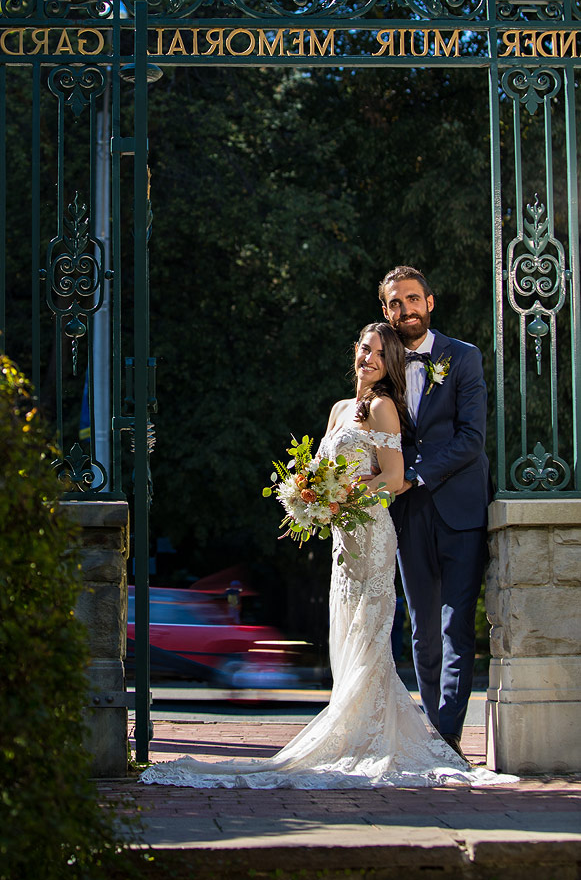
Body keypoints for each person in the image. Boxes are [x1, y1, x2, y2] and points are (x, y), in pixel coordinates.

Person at [139, 323, 514, 789]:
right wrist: (306, 494)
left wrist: (346, 500)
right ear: (353, 353)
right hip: (342, 540)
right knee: (345, 631)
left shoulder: (383, 408)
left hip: (372, 535)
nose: (369, 358)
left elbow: (394, 480)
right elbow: (320, 468)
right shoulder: (339, 409)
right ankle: (353, 729)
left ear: (390, 362)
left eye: (379, 353)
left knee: (371, 635)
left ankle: (373, 736)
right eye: (364, 349)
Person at [380, 265, 493, 765]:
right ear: (386, 312)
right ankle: (433, 735)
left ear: (430, 302)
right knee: (422, 628)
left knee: (456, 626)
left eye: (412, 299)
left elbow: (472, 438)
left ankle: (447, 737)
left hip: (460, 507)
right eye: (395, 303)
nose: (405, 310)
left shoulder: (463, 357)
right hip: (408, 512)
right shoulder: (384, 364)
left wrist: (415, 474)